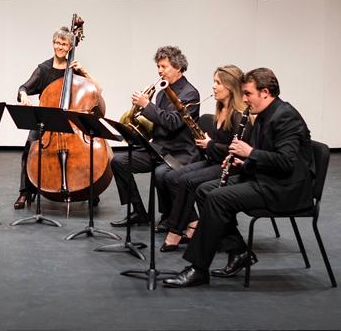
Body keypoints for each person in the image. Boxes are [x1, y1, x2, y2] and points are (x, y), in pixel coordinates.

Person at [163, 67, 314, 287]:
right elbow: (269, 156)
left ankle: (198, 268)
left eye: (248, 94)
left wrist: (250, 153)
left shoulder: (285, 117)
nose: (243, 99)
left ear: (265, 92)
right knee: (205, 190)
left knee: (217, 197)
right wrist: (242, 162)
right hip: (265, 178)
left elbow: (286, 162)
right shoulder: (263, 114)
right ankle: (238, 251)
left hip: (284, 189)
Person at [12, 26, 106, 209]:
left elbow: (99, 90)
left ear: (70, 47)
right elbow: (23, 88)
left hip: (72, 122)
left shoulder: (75, 69)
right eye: (57, 43)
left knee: (87, 151)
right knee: (30, 146)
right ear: (53, 44)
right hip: (49, 122)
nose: (60, 47)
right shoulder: (44, 69)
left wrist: (84, 72)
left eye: (64, 44)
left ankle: (88, 189)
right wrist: (23, 96)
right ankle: (25, 192)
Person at [109, 46, 201, 228]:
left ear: (178, 67)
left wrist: (147, 105)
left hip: (180, 152)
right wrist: (139, 116)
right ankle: (138, 211)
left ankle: (170, 217)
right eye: (158, 66)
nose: (159, 71)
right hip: (159, 149)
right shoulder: (161, 93)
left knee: (161, 173)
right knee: (119, 161)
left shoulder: (190, 93)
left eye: (164, 66)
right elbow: (156, 125)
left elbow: (173, 122)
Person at [160, 65, 249, 252]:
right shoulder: (220, 109)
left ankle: (175, 232)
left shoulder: (238, 114)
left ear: (231, 86)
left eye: (218, 83)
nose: (214, 87)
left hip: (230, 166)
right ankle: (192, 224)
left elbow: (236, 151)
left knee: (187, 180)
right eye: (214, 82)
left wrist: (209, 145)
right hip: (214, 159)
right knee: (172, 176)